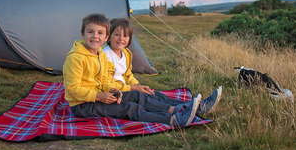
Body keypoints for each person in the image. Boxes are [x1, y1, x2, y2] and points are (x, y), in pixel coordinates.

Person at [63, 13, 201, 127]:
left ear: (105, 37)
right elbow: (72, 89)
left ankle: (175, 109)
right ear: (82, 34)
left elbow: (104, 79)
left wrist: (112, 90)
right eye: (90, 32)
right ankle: (174, 120)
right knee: (129, 108)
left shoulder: (100, 54)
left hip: (100, 94)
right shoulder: (76, 58)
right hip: (83, 105)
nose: (95, 36)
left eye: (100, 33)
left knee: (137, 96)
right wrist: (99, 96)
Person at [103, 18, 222, 117]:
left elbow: (128, 75)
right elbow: (108, 83)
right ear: (109, 37)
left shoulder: (126, 53)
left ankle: (195, 105)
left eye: (125, 35)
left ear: (130, 38)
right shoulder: (106, 55)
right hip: (117, 92)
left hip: (127, 87)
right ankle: (180, 111)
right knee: (142, 97)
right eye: (117, 35)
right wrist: (133, 89)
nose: (121, 39)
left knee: (156, 94)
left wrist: (137, 85)